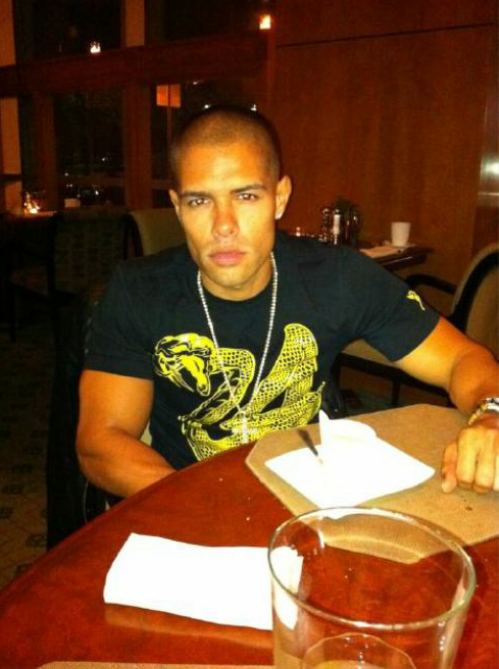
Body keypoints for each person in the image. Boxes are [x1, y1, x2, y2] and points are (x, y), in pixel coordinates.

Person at [76, 104, 499, 500]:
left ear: (279, 198)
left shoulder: (339, 277)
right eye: (200, 201)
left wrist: (492, 413)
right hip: (188, 497)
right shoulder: (139, 291)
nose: (224, 226)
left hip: (315, 493)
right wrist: (203, 504)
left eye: (246, 196)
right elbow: (101, 441)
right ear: (177, 207)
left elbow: (462, 359)